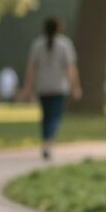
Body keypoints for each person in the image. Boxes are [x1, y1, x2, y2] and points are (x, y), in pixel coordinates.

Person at [21, 17, 82, 160]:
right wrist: (75, 86)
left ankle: (46, 141)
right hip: (59, 87)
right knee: (55, 116)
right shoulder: (65, 44)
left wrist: (27, 87)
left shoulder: (37, 44)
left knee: (46, 116)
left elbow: (31, 68)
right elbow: (70, 68)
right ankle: (49, 141)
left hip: (43, 86)